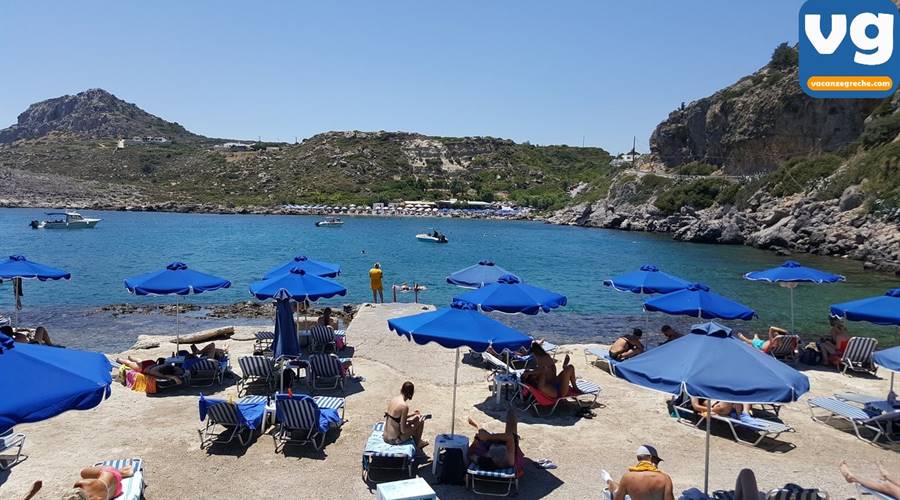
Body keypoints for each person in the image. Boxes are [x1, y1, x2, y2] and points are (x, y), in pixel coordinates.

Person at [601, 445, 674, 500]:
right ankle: (609, 480)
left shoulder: (628, 477)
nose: (657, 464)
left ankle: (608, 480)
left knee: (617, 489)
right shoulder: (665, 478)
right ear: (651, 458)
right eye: (657, 461)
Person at [383, 381, 428, 451]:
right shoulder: (404, 406)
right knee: (420, 422)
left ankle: (419, 441)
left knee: (415, 420)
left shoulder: (394, 399)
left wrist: (413, 414)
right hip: (394, 440)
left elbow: (396, 418)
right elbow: (403, 430)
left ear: (402, 389)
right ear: (411, 394)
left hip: (385, 437)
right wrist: (416, 424)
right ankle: (418, 443)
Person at [62, 463, 134, 500]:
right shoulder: (81, 484)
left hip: (116, 491)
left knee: (83, 473)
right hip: (111, 474)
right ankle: (121, 472)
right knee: (83, 472)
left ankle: (122, 472)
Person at [115, 355, 185, 385]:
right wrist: (175, 378)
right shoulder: (160, 374)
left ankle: (132, 358)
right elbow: (170, 377)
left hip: (151, 363)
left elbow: (172, 374)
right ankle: (119, 360)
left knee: (140, 361)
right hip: (144, 368)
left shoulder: (169, 366)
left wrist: (175, 377)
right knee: (129, 363)